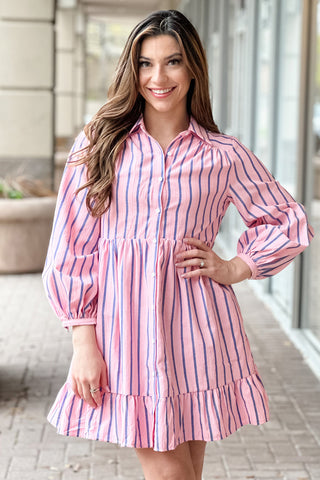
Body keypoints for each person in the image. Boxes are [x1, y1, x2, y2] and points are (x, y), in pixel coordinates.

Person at [43, 9, 314, 480]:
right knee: (171, 474)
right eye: (145, 63)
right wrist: (83, 341)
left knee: (188, 470)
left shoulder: (222, 155)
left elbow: (287, 221)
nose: (158, 77)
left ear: (193, 69)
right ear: (133, 70)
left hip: (199, 331)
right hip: (125, 334)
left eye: (172, 62)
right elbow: (71, 247)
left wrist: (236, 267)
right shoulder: (99, 145)